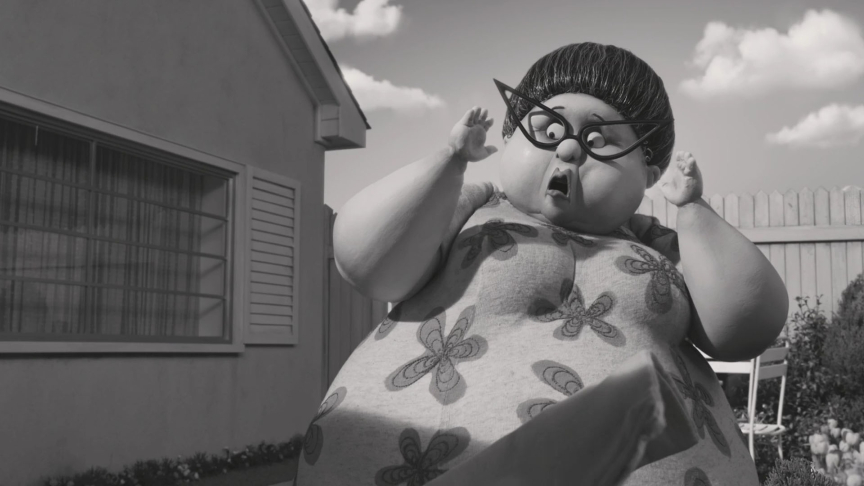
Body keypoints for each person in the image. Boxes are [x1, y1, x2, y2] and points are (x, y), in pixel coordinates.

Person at [296, 42, 789, 485]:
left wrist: (694, 213)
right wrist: (448, 161)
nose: (569, 149)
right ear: (512, 137)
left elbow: (746, 325)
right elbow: (368, 260)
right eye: (550, 129)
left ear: (650, 172)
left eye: (599, 140)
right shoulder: (474, 206)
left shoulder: (656, 243)